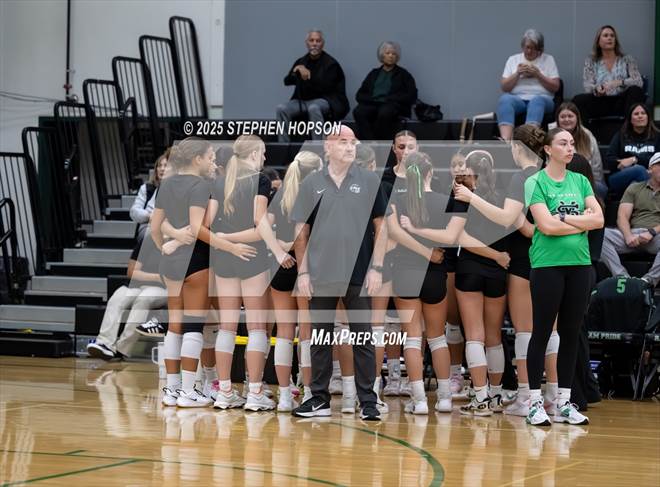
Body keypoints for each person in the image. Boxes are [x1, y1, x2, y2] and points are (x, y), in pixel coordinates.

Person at [290, 125, 387, 420]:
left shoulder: (369, 180)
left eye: (352, 142)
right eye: (342, 142)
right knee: (320, 339)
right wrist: (303, 273)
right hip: (320, 274)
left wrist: (377, 267)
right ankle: (319, 399)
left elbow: (381, 227)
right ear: (327, 147)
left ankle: (368, 401)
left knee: (362, 338)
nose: (349, 147)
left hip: (359, 272)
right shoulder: (312, 183)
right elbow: (301, 231)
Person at [524, 128, 604, 426]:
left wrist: (564, 218)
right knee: (542, 333)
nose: (570, 148)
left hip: (579, 265)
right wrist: (581, 222)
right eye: (563, 143)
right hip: (547, 266)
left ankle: (564, 402)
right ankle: (534, 403)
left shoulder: (580, 181)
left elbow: (599, 219)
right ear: (548, 149)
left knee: (571, 333)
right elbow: (545, 226)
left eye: (572, 143)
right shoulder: (535, 182)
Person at [209, 135, 294, 412]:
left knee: (227, 326)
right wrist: (278, 252)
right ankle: (254, 392)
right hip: (252, 256)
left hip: (223, 257)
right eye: (263, 152)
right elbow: (260, 224)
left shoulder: (220, 182)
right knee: (257, 326)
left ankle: (224, 392)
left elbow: (206, 225)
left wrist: (225, 241)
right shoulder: (260, 180)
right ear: (255, 153)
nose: (265, 157)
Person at [391, 152, 468, 414]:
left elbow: (394, 233)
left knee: (413, 339)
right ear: (431, 172)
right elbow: (450, 237)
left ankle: (420, 400)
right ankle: (444, 399)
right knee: (437, 338)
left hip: (404, 272)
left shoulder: (398, 200)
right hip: (435, 274)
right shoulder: (448, 201)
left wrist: (413, 229)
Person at [151, 137, 217, 408]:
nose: (212, 162)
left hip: (170, 264)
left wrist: (166, 247)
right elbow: (198, 227)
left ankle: (172, 390)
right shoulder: (201, 185)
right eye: (210, 157)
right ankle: (189, 391)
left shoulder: (166, 184)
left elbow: (155, 227)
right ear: (197, 159)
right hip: (196, 261)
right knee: (193, 326)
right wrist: (181, 240)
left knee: (174, 325)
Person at [449, 150, 511, 416]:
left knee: (474, 334)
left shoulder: (460, 196)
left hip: (469, 269)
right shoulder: (502, 197)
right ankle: (496, 396)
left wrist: (493, 255)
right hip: (498, 272)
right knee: (494, 336)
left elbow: (459, 238)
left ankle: (481, 398)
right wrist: (498, 256)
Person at [269, 150, 323, 411]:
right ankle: (309, 392)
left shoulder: (280, 195)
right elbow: (309, 237)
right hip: (306, 269)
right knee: (307, 334)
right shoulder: (316, 195)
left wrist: (279, 248)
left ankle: (283, 396)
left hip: (282, 267)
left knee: (283, 333)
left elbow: (262, 225)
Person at [87, 234, 167, 360]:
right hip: (135, 286)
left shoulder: (181, 243)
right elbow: (131, 271)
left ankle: (122, 348)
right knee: (117, 298)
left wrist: (148, 276)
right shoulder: (148, 240)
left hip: (163, 289)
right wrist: (157, 277)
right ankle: (104, 343)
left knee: (144, 298)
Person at [276, 30, 349, 142]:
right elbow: (287, 81)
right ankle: (283, 146)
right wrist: (296, 71)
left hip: (326, 100)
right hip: (303, 101)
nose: (314, 44)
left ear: (322, 44)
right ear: (307, 43)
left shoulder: (331, 64)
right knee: (281, 108)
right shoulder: (301, 61)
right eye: (311, 40)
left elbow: (324, 88)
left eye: (318, 41)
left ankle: (318, 146)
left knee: (313, 108)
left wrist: (307, 77)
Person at [600, 152, 660, 287]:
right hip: (633, 234)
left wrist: (651, 232)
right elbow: (622, 216)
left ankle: (648, 282)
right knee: (600, 235)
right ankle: (622, 277)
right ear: (650, 169)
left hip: (656, 236)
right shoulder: (635, 188)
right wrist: (628, 235)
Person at [496, 29, 560, 141]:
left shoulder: (548, 59)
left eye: (533, 48)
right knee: (505, 99)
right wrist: (517, 73)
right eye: (527, 47)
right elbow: (504, 87)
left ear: (540, 49)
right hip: (518, 99)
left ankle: (528, 140)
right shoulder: (513, 59)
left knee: (536, 101)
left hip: (543, 98)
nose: (529, 51)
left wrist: (538, 74)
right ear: (522, 46)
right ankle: (505, 140)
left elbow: (555, 87)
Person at [573, 25, 645, 123]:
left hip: (622, 102)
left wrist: (619, 82)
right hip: (601, 101)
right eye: (605, 35)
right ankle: (586, 131)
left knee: (635, 90)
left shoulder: (627, 59)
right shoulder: (591, 61)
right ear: (598, 41)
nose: (609, 38)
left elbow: (639, 81)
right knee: (578, 100)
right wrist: (597, 90)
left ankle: (628, 127)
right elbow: (587, 86)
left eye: (612, 36)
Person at [353, 42, 418, 141]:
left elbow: (412, 95)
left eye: (394, 54)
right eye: (388, 53)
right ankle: (369, 142)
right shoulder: (374, 73)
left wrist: (393, 99)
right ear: (382, 56)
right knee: (358, 112)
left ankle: (380, 142)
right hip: (373, 103)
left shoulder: (404, 74)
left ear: (397, 57)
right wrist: (371, 99)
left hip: (392, 105)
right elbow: (360, 94)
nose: (391, 56)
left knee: (385, 112)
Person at [554, 102, 607, 198]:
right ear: (557, 119)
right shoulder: (551, 137)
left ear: (577, 118)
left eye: (570, 116)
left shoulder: (587, 135)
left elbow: (596, 165)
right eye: (563, 117)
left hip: (587, 180)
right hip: (560, 182)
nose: (566, 119)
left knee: (599, 188)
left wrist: (592, 180)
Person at [605, 103, 660, 195]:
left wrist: (634, 160)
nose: (640, 116)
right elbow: (609, 160)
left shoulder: (657, 137)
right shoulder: (621, 136)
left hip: (651, 176)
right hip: (620, 177)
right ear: (630, 119)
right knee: (639, 170)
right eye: (636, 114)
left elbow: (658, 160)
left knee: (635, 183)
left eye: (643, 113)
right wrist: (620, 163)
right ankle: (652, 201)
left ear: (648, 117)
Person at [130, 149, 169, 242]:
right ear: (156, 170)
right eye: (159, 166)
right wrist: (149, 215)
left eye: (166, 165)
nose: (162, 169)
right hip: (148, 225)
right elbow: (134, 212)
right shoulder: (146, 188)